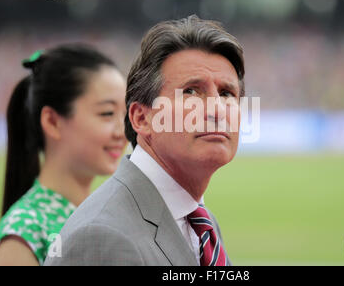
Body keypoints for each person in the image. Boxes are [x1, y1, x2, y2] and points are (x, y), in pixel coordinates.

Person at [44, 15, 245, 266]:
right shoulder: (102, 236)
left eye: (227, 93)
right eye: (191, 91)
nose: (217, 108)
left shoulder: (201, 224)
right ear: (141, 118)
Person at [0, 44, 127, 266]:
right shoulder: (25, 234)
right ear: (52, 121)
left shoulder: (104, 213)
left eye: (125, 115)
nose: (123, 131)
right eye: (107, 113)